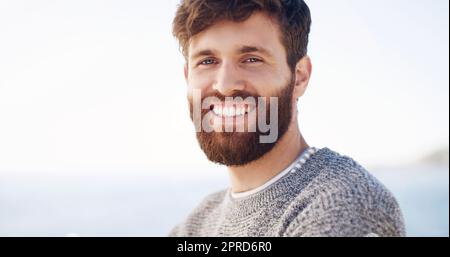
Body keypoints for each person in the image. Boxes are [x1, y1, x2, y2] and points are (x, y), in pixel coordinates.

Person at [168, 0, 405, 237]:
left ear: (299, 77)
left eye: (252, 59)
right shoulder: (197, 224)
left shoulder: (343, 203)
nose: (225, 85)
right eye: (207, 62)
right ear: (188, 76)